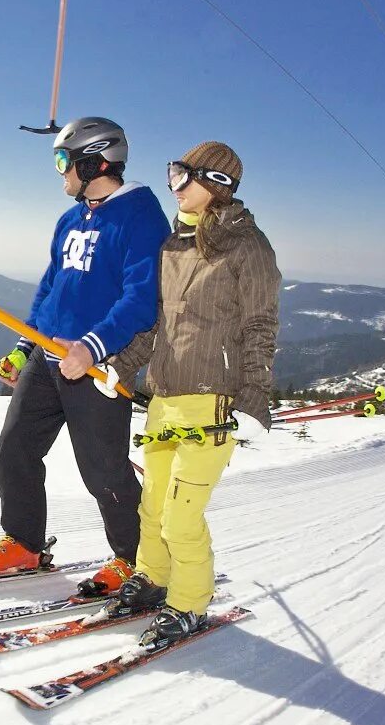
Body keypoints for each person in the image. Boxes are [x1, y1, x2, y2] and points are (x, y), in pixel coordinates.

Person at [0, 117, 170, 596]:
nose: (59, 173)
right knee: (15, 449)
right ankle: (23, 542)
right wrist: (24, 346)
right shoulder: (70, 218)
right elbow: (51, 290)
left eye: (63, 162)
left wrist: (93, 347)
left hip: (98, 366)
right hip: (49, 357)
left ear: (93, 160)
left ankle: (134, 559)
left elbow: (143, 298)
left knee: (105, 471)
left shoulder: (141, 215)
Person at [109, 141, 280, 650]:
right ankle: (153, 579)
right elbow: (154, 327)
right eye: (172, 173)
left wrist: (253, 397)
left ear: (217, 184)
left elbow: (260, 326)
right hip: (165, 397)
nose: (175, 185)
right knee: (154, 507)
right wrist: (117, 366)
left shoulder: (248, 248)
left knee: (183, 515)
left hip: (214, 401)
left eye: (184, 175)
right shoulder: (172, 248)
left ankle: (188, 604)